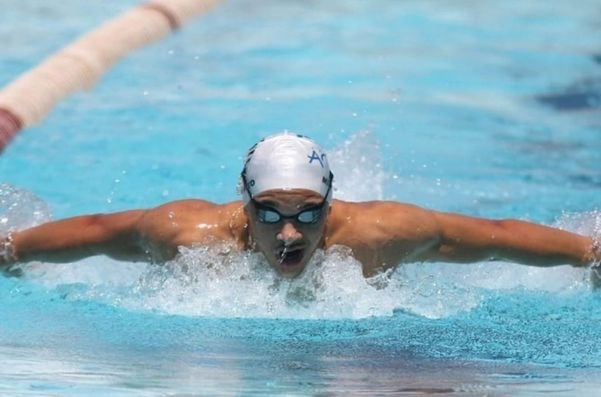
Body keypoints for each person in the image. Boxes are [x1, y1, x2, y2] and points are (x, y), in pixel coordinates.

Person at [1, 132, 600, 279]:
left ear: (331, 203)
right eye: (270, 212)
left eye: (309, 213)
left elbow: (493, 234)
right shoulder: (190, 234)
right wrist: (12, 248)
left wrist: (588, 253)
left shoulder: (380, 235)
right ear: (245, 203)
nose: (290, 232)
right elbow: (102, 230)